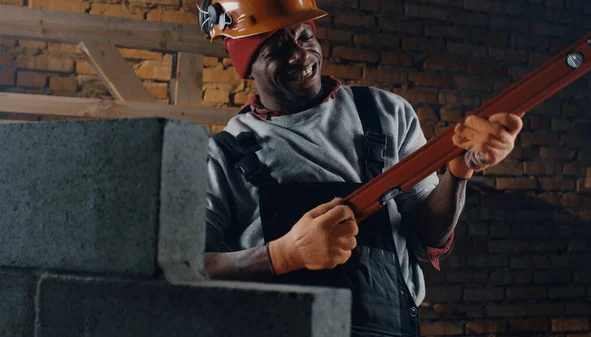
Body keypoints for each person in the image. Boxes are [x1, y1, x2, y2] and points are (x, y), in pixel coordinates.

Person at [199, 0, 523, 336]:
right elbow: (189, 267)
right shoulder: (224, 154)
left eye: (304, 38)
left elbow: (428, 235)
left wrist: (458, 173)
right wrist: (284, 255)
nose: (300, 56)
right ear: (248, 66)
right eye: (277, 49)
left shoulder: (384, 113)